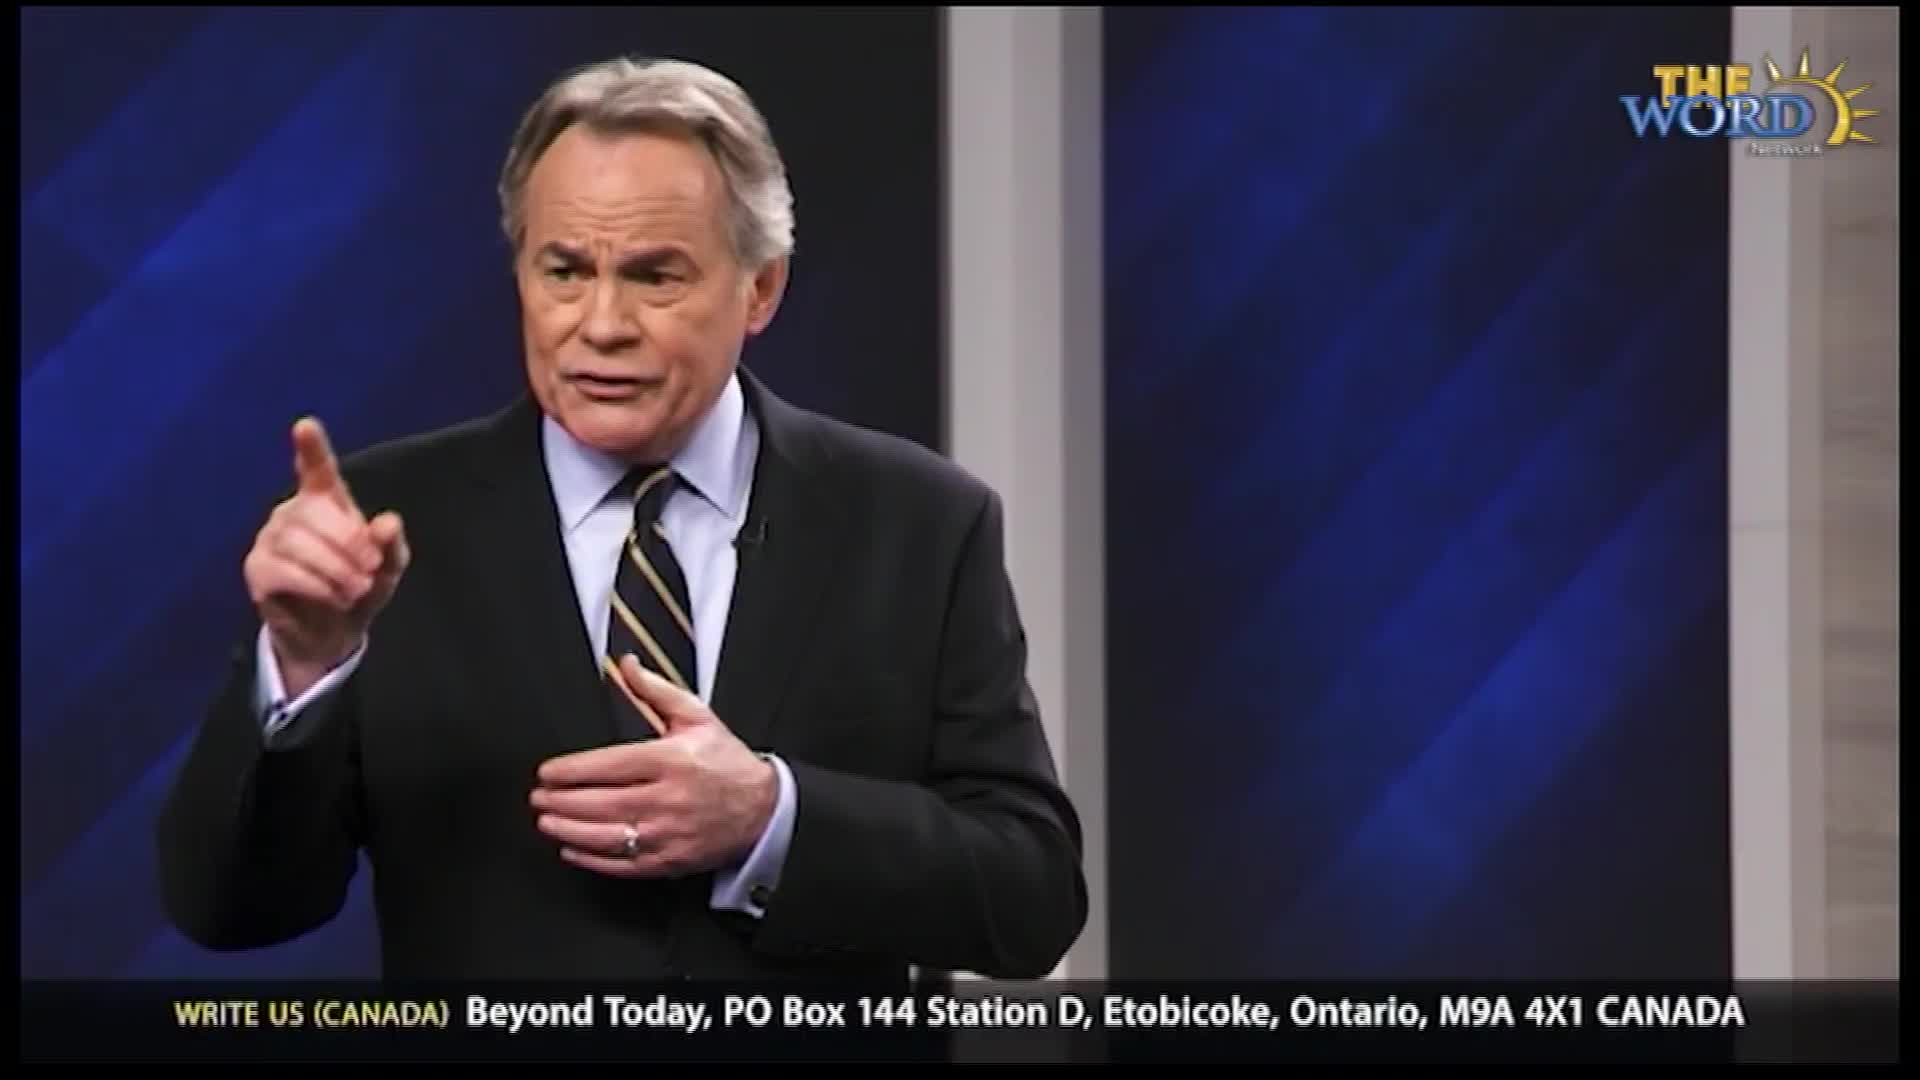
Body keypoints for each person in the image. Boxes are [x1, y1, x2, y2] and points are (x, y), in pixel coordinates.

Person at [155, 56, 1086, 983]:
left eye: (654, 277)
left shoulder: (916, 523)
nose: (601, 324)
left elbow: (1030, 896)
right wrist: (309, 668)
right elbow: (228, 906)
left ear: (760, 290)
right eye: (564, 270)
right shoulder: (380, 534)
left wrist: (772, 818)